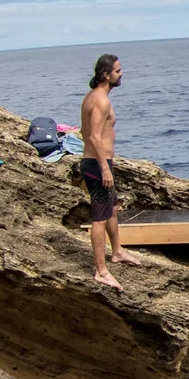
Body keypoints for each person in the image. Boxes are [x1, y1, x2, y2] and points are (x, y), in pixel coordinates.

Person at [81, 53, 127, 289]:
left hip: (99, 163)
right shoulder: (101, 100)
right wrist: (104, 168)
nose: (121, 75)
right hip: (97, 166)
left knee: (113, 208)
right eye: (118, 71)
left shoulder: (92, 97)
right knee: (99, 219)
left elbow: (83, 132)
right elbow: (93, 136)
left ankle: (117, 251)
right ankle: (101, 271)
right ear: (106, 75)